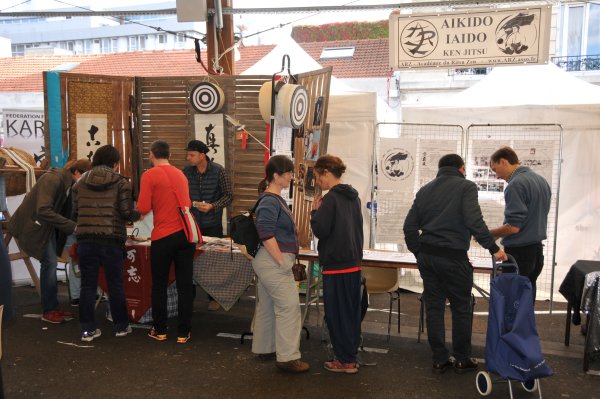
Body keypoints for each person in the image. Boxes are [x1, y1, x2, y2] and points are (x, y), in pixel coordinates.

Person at [403, 154, 507, 374]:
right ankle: (462, 358)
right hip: (453, 257)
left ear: (440, 168)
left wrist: (419, 252)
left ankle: (440, 358)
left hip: (428, 257)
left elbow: (409, 226)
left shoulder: (425, 190)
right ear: (461, 168)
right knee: (461, 307)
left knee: (434, 307)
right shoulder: (466, 187)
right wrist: (494, 248)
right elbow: (474, 220)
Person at [8, 158, 92, 324]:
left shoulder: (67, 183)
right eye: (86, 176)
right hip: (35, 227)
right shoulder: (53, 178)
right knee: (49, 264)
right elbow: (43, 210)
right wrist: (73, 227)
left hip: (44, 227)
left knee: (50, 264)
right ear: (77, 173)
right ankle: (49, 310)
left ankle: (52, 306)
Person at [72, 145, 140, 342]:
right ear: (115, 163)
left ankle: (87, 331)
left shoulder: (79, 183)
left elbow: (75, 212)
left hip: (85, 240)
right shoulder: (121, 183)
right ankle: (121, 326)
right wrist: (138, 213)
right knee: (115, 285)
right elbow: (127, 213)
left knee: (87, 286)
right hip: (111, 240)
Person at [252, 155, 309, 373]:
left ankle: (265, 348)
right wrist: (282, 262)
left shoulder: (271, 199)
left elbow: (267, 232)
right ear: (276, 176)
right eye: (288, 173)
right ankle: (287, 358)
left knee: (267, 306)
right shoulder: (270, 200)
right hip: (273, 260)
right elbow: (265, 233)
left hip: (268, 260)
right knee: (289, 308)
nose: (291, 177)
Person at [137, 140, 196, 344]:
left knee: (160, 284)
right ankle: (183, 332)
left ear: (152, 155)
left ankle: (160, 330)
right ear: (169, 155)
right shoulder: (181, 174)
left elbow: (143, 207)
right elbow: (187, 203)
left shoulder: (149, 175)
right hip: (185, 236)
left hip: (162, 235)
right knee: (185, 285)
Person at [310, 155, 363, 374]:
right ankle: (349, 357)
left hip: (336, 264)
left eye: (317, 177)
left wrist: (315, 211)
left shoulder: (330, 199)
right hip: (353, 262)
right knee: (349, 314)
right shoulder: (354, 196)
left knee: (336, 314)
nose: (318, 183)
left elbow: (321, 230)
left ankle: (344, 361)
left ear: (325, 173)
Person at [489, 146, 551, 303]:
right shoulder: (541, 181)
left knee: (513, 300)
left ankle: (512, 328)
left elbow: (513, 227)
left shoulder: (516, 184)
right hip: (536, 250)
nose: (496, 176)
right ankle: (524, 327)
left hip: (519, 254)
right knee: (527, 297)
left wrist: (489, 234)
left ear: (503, 162)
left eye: (495, 170)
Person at [183, 139, 232, 311]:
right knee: (190, 261)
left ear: (202, 155)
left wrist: (213, 206)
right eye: (188, 154)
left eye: (192, 154)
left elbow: (229, 196)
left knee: (214, 261)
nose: (188, 158)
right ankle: (190, 297)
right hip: (191, 223)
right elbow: (181, 194)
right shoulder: (186, 172)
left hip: (212, 223)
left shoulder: (219, 171)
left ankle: (215, 297)